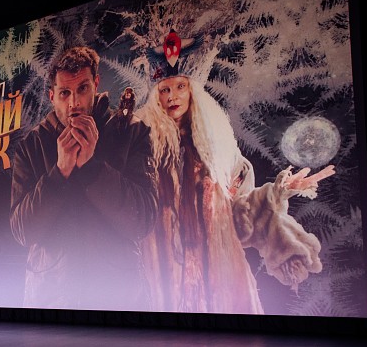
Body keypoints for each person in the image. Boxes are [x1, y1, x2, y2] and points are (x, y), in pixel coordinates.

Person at [136, 28, 335, 314]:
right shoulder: (144, 148)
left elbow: (240, 219)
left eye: (180, 87)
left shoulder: (220, 152)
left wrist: (277, 193)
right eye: (164, 90)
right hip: (163, 275)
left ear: (192, 91)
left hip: (219, 277)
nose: (172, 97)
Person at [9, 45, 158, 310]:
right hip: (50, 303)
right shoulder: (31, 146)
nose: (74, 103)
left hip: (118, 302)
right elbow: (23, 230)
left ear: (96, 84)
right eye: (64, 93)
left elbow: (143, 220)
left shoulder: (131, 132)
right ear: (52, 96)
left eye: (82, 89)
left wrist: (92, 167)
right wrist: (60, 172)